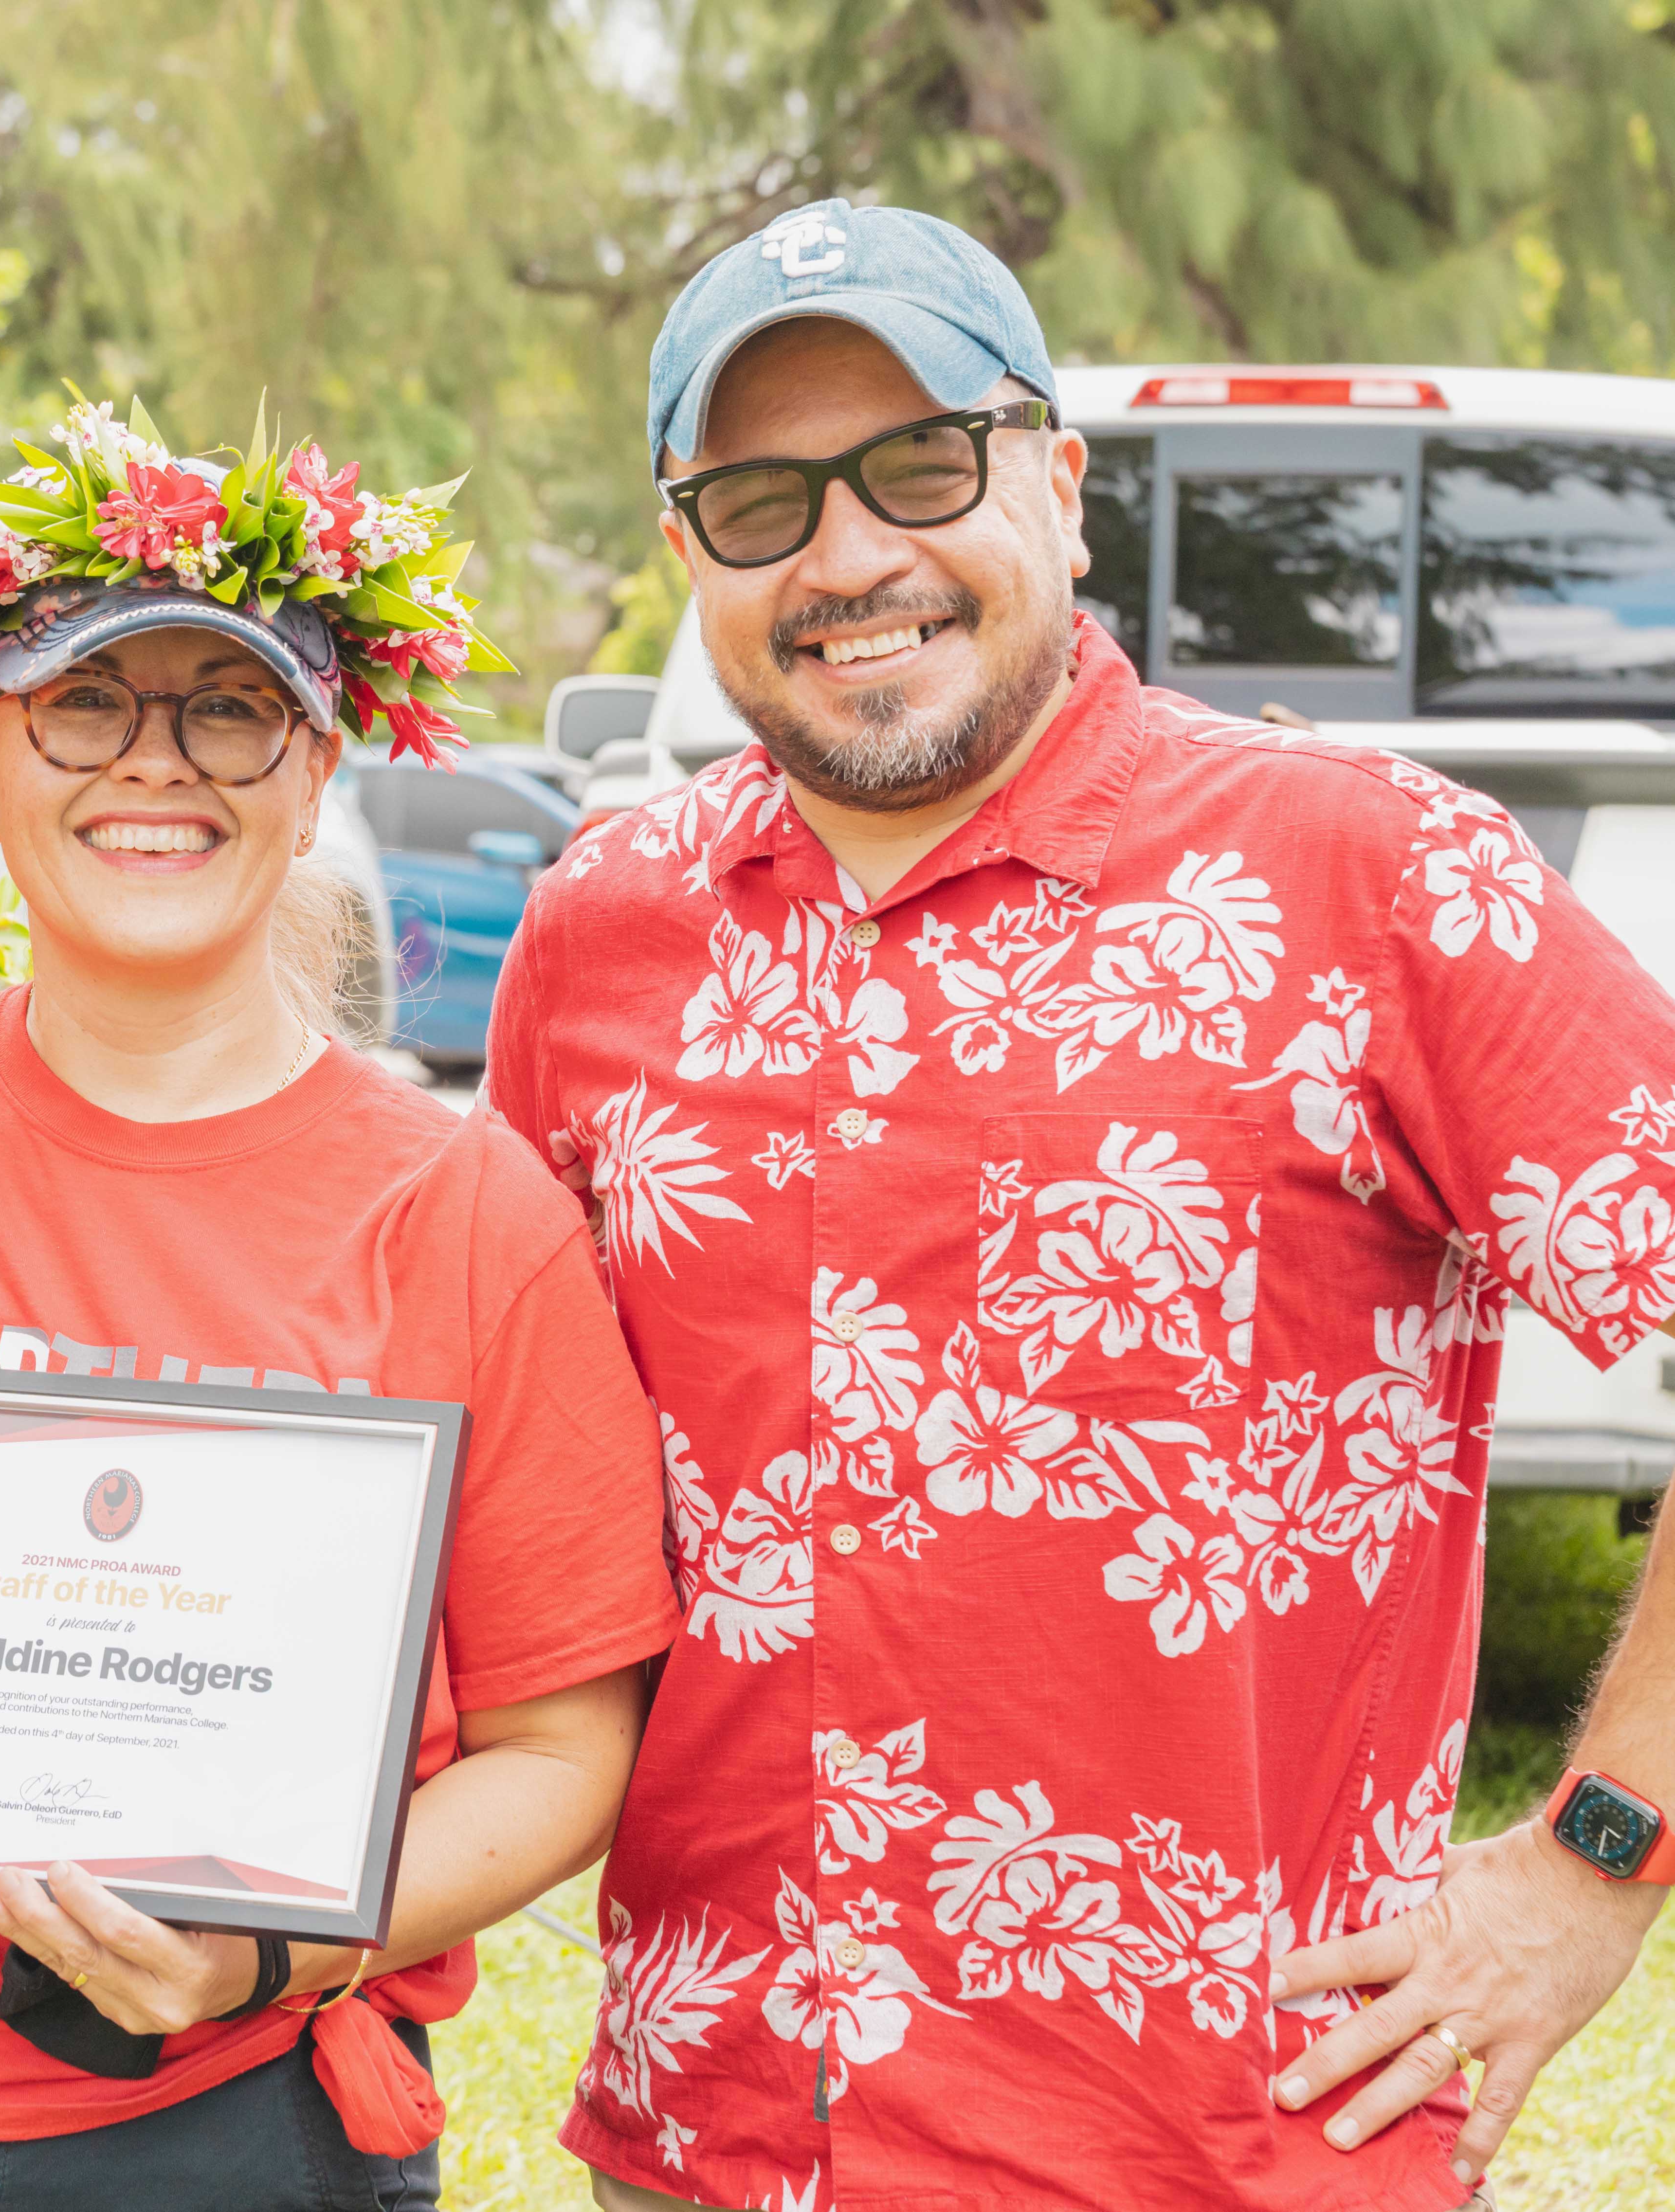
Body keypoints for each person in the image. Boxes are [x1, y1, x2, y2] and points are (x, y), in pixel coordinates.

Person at [489, 196, 1675, 2212]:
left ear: (1057, 477)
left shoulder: (1371, 877)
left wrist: (1600, 1858)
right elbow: (512, 1482)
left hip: (1230, 2154)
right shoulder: (602, 932)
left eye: (920, 467)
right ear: (686, 551)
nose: (851, 557)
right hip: (714, 2140)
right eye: (763, 500)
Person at [0, 407, 678, 2210]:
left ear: (315, 766)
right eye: (85, 704)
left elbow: (565, 1748)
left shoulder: (461, 1215)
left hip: (224, 2125)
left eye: (228, 708)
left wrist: (268, 1953)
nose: (152, 767)